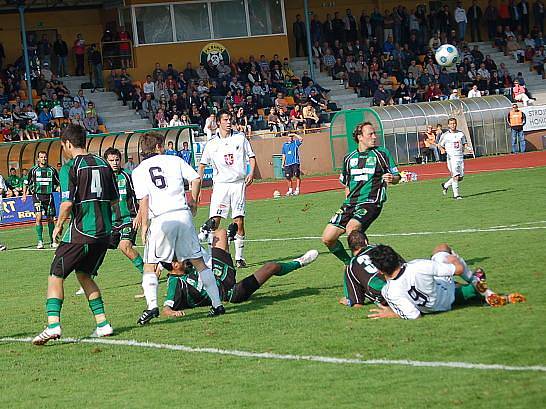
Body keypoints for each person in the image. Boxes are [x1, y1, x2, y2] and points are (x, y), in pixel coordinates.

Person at [32, 125, 119, 345]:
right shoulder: (103, 164)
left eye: (63, 146)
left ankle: (53, 325)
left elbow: (67, 203)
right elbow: (115, 201)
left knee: (55, 275)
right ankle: (103, 324)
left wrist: (59, 226)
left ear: (68, 144)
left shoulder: (70, 167)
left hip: (81, 233)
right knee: (84, 274)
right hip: (103, 234)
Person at [132, 132, 225, 324]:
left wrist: (144, 226)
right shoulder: (174, 160)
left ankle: (152, 307)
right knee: (198, 261)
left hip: (161, 219)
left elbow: (144, 199)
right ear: (158, 146)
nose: (164, 147)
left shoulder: (139, 170)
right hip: (182, 214)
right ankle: (217, 304)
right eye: (162, 145)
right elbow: (196, 179)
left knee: (150, 265)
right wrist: (194, 201)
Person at [162, 228, 319, 316]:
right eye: (180, 258)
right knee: (271, 267)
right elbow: (166, 308)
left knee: (221, 233)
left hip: (217, 273)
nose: (183, 258)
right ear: (175, 265)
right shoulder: (175, 282)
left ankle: (227, 238)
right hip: (230, 293)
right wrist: (173, 313)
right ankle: (299, 262)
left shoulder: (187, 265)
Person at [365, 244, 526, 320]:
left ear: (380, 270)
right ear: (396, 256)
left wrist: (391, 313)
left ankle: (476, 289)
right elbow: (458, 270)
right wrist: (454, 260)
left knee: (453, 287)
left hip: (432, 308)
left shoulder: (388, 291)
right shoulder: (418, 265)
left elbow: (414, 316)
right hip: (446, 294)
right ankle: (477, 282)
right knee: (441, 249)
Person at [321, 122, 400, 266]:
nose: (375, 137)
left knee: (352, 229)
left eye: (374, 133)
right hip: (350, 204)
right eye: (370, 134)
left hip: (371, 202)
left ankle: (366, 267)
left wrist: (392, 178)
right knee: (328, 238)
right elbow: (347, 184)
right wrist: (347, 203)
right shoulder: (348, 158)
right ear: (360, 137)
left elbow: (397, 177)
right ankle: (350, 263)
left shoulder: (381, 154)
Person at [198, 110, 256, 268]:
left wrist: (251, 172)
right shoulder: (211, 144)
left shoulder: (240, 138)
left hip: (238, 184)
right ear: (218, 122)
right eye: (225, 119)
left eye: (230, 119)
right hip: (221, 186)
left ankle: (239, 258)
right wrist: (198, 184)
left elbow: (251, 157)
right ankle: (212, 257)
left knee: (239, 221)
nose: (229, 122)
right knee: (214, 221)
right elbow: (202, 165)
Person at [104, 148, 144, 276]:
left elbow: (140, 196)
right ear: (106, 161)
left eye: (117, 160)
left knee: (124, 246)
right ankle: (88, 281)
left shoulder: (127, 175)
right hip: (111, 222)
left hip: (129, 219)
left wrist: (139, 215)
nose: (115, 163)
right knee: (98, 249)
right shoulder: (103, 178)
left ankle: (147, 274)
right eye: (111, 160)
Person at [22, 151, 60, 249]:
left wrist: (59, 188)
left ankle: (53, 240)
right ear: (38, 159)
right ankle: (40, 241)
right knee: (38, 218)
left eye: (45, 157)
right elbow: (26, 182)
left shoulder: (52, 170)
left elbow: (58, 183)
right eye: (41, 157)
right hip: (37, 196)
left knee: (50, 219)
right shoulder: (33, 170)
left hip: (49, 197)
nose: (43, 159)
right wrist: (24, 195)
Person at [439, 118, 467, 200]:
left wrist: (467, 148)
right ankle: (456, 195)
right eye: (451, 124)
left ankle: (445, 185)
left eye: (454, 123)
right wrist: (442, 149)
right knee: (455, 176)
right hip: (452, 158)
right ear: (448, 125)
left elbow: (464, 143)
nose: (453, 125)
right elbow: (440, 145)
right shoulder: (445, 135)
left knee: (460, 178)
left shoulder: (461, 134)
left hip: (460, 157)